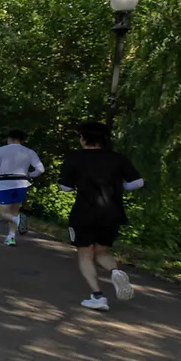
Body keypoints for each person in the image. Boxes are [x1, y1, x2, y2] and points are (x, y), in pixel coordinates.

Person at [59, 122, 144, 311]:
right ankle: (115, 272)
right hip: (112, 213)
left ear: (83, 138)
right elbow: (138, 182)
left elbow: (65, 188)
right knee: (100, 251)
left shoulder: (75, 158)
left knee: (85, 254)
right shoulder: (117, 158)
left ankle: (98, 296)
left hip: (84, 212)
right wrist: (119, 187)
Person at [0, 130, 45, 246]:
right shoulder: (29, 152)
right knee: (14, 212)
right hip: (21, 184)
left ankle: (18, 221)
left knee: (3, 212)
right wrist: (29, 175)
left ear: (9, 138)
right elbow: (41, 169)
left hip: (4, 183)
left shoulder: (0, 150)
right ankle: (11, 237)